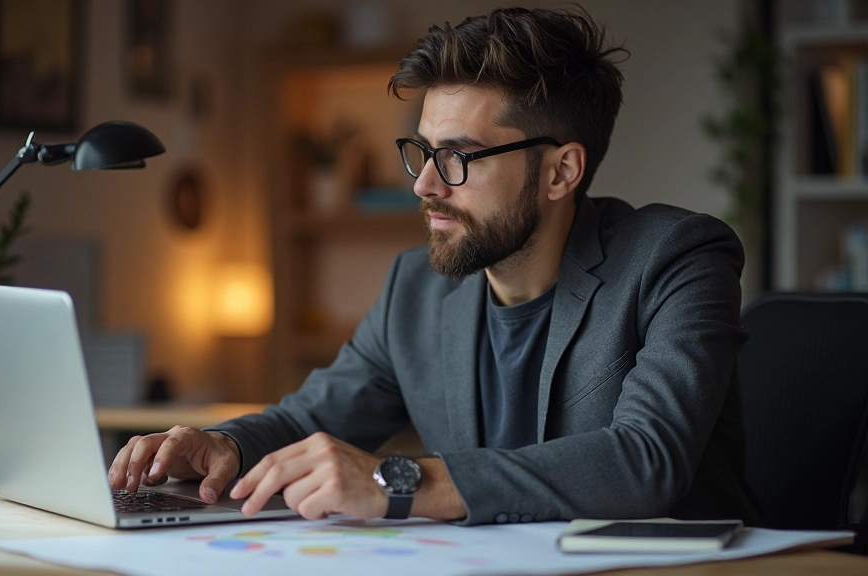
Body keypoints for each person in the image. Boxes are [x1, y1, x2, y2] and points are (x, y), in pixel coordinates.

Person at [109, 6, 761, 526]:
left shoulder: (678, 259)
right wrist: (223, 445)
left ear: (561, 170)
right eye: (421, 152)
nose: (424, 185)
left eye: (458, 157)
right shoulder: (416, 288)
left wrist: (401, 481)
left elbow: (647, 460)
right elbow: (309, 419)